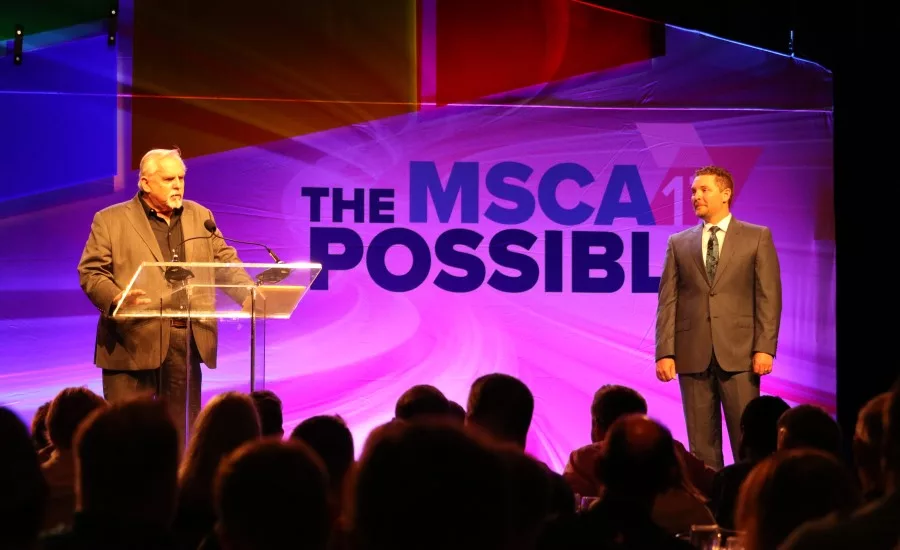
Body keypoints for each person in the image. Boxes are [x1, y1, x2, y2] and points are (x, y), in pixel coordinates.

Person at [78, 148, 253, 443]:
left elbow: (224, 263)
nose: (178, 185)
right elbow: (91, 272)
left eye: (181, 178)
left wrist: (248, 294)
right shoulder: (109, 220)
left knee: (180, 438)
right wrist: (118, 298)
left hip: (185, 341)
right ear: (145, 183)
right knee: (126, 439)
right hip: (131, 339)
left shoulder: (201, 217)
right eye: (169, 178)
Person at [655, 165, 782, 470]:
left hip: (740, 353)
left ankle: (747, 505)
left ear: (725, 194)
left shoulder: (756, 237)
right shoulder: (679, 242)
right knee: (701, 446)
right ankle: (711, 507)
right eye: (693, 192)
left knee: (747, 439)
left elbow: (768, 295)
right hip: (691, 353)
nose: (695, 196)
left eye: (703, 190)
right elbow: (667, 300)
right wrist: (665, 351)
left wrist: (764, 347)